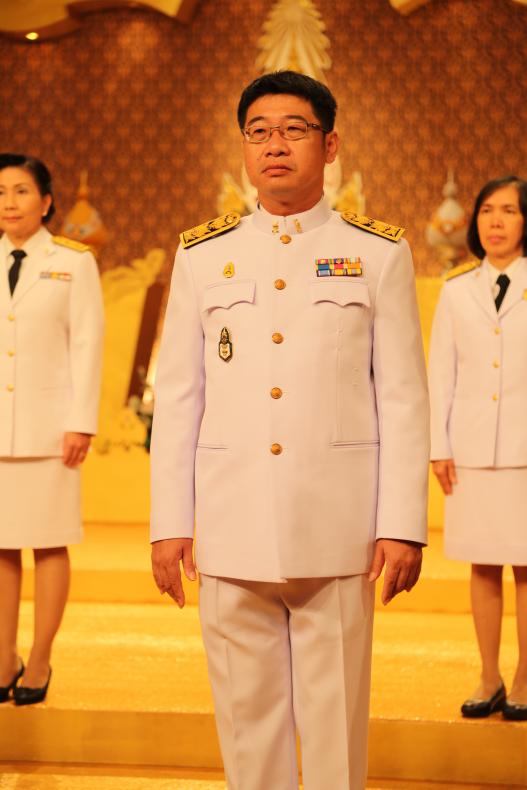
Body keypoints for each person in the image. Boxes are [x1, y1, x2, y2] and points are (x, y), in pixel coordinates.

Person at [150, 71, 429, 789]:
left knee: (336, 728)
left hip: (336, 524)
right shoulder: (201, 254)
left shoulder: (378, 252)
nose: (275, 145)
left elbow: (403, 397)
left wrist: (402, 524)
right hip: (230, 520)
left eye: (294, 130)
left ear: (329, 145)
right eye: (259, 132)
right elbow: (178, 395)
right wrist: (169, 524)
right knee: (248, 729)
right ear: (244, 147)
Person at [0, 154, 104, 706]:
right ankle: (3, 657)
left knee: (47, 542)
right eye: (0, 192)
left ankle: (39, 659)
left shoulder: (73, 262)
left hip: (50, 431)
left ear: (45, 201)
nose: (9, 202)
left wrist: (80, 422)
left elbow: (87, 344)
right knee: (0, 546)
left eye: (21, 191)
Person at [429, 175, 527, 722]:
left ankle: (525, 675)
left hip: (525, 450)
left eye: (509, 210)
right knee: (483, 566)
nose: (495, 221)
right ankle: (489, 676)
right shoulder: (456, 290)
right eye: (487, 210)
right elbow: (440, 373)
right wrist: (438, 445)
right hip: (470, 451)